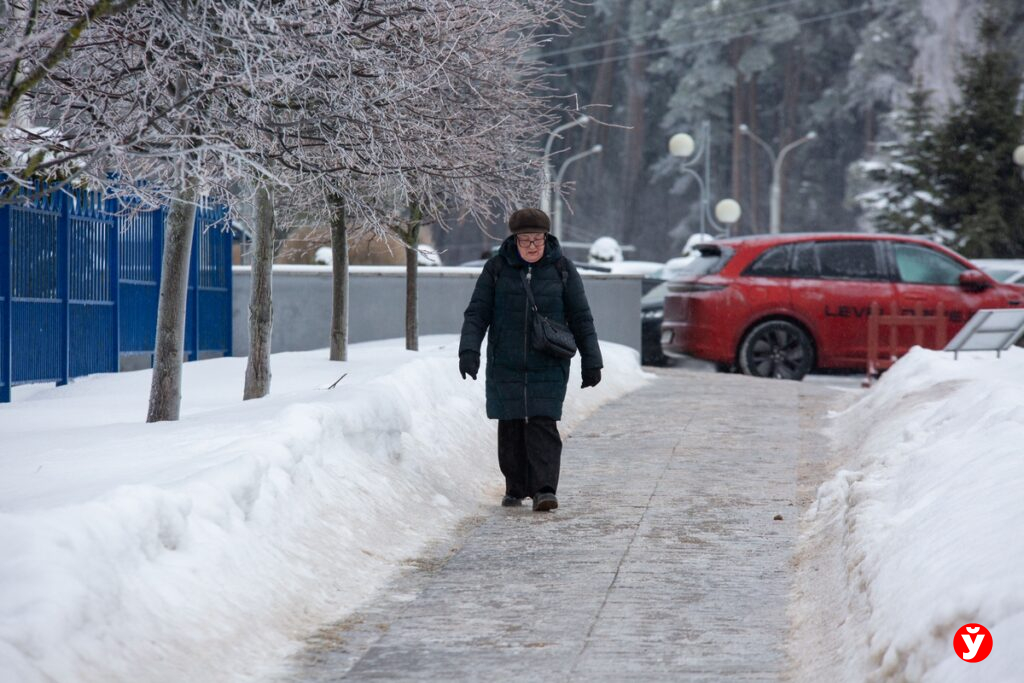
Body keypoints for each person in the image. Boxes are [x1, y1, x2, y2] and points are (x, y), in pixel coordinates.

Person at [459, 208, 603, 512]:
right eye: (525, 239)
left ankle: (544, 490)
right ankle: (515, 487)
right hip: (506, 360)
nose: (532, 245)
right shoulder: (497, 269)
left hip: (548, 361)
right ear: (514, 240)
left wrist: (592, 360)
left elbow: (582, 317)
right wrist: (468, 350)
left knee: (542, 423)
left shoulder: (563, 269)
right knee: (510, 425)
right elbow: (477, 313)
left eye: (537, 238)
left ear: (546, 238)